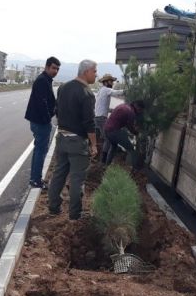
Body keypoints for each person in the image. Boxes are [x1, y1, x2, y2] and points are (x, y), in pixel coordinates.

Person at [48, 59, 98, 220]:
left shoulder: (63, 87)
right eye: (94, 71)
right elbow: (89, 123)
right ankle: (75, 214)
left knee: (59, 174)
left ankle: (53, 207)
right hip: (77, 142)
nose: (96, 75)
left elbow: (57, 110)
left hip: (61, 138)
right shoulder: (87, 94)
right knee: (77, 178)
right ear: (86, 72)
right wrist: (94, 144)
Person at [24, 57, 60, 189]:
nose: (55, 71)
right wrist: (47, 119)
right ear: (47, 67)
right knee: (40, 151)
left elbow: (49, 101)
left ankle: (35, 178)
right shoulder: (42, 81)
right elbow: (42, 103)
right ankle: (36, 180)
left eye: (57, 69)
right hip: (40, 122)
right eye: (53, 68)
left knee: (39, 150)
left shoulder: (46, 80)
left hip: (40, 121)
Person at [104, 100, 145, 169]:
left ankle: (106, 166)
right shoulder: (131, 112)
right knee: (131, 149)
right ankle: (135, 170)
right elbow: (130, 127)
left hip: (106, 129)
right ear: (137, 107)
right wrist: (137, 133)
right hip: (114, 131)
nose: (140, 112)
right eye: (140, 110)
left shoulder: (123, 105)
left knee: (113, 147)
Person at [94, 73, 124, 162]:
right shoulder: (106, 90)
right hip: (101, 119)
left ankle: (103, 160)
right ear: (106, 82)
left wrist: (111, 110)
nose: (112, 83)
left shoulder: (101, 91)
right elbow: (117, 92)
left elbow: (101, 106)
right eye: (111, 81)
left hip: (98, 118)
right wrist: (127, 91)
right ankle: (104, 161)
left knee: (107, 139)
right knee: (109, 139)